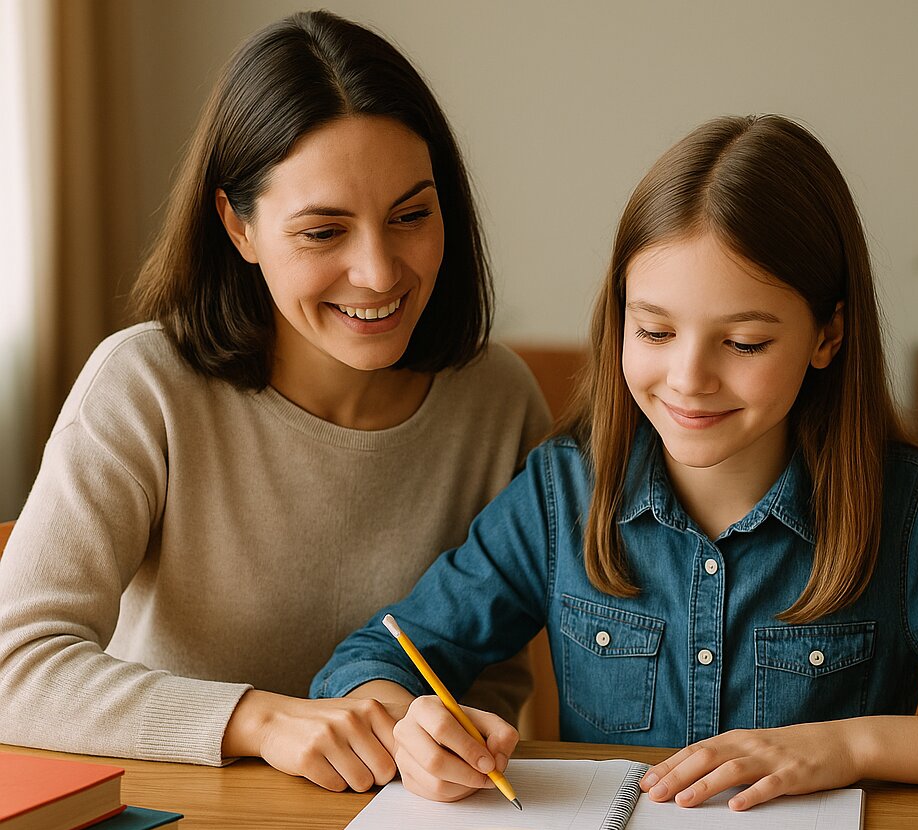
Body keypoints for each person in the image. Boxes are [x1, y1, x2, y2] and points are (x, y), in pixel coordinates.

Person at [313, 113, 918, 807]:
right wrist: (412, 727)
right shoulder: (565, 491)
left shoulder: (904, 509)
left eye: (744, 343)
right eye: (653, 330)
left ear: (827, 336)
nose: (688, 378)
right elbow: (371, 662)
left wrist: (847, 747)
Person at [0, 11, 549, 790]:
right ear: (239, 226)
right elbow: (13, 666)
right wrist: (259, 719)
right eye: (324, 232)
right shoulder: (144, 385)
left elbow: (491, 675)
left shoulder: (497, 399)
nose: (379, 271)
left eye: (412, 216)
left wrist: (454, 741)